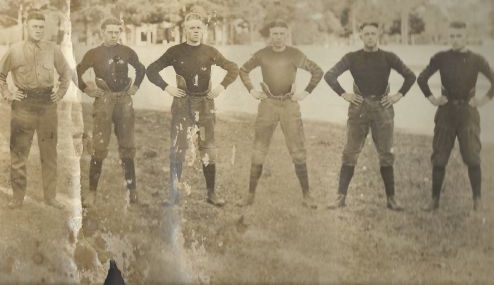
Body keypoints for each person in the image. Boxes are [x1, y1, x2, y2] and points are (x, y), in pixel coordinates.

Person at [146, 11, 238, 206]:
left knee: (208, 148)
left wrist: (221, 87)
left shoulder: (211, 52)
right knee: (178, 147)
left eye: (198, 28)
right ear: (185, 30)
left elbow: (233, 68)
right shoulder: (175, 51)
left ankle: (211, 194)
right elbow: (151, 70)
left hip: (205, 105)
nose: (195, 31)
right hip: (182, 105)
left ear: (203, 30)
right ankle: (174, 194)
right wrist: (168, 87)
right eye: (192, 28)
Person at [324, 22, 415, 211]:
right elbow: (330, 75)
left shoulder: (388, 57)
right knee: (350, 152)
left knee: (386, 153)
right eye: (366, 34)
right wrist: (344, 94)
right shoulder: (352, 58)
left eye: (373, 33)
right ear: (361, 36)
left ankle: (391, 199)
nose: (370, 37)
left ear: (379, 34)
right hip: (359, 108)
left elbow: (410, 76)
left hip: (382, 108)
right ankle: (340, 197)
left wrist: (397, 96)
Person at [238, 20, 324, 209]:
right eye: (274, 33)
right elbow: (243, 70)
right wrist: (252, 90)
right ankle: (250, 195)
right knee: (259, 149)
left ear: (287, 34)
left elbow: (317, 71)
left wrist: (305, 92)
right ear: (270, 34)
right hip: (267, 104)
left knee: (298, 151)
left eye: (281, 34)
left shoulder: (295, 54)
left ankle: (307, 195)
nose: (278, 37)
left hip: (289, 105)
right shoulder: (262, 54)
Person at [417, 21, 494, 212]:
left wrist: (482, 101)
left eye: (459, 36)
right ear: (449, 36)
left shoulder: (477, 59)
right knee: (439, 158)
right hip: (446, 113)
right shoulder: (441, 57)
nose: (455, 40)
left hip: (467, 114)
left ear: (466, 36)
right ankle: (434, 201)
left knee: (472, 156)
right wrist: (432, 99)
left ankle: (477, 201)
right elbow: (421, 78)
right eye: (452, 36)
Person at [0, 11, 71, 209]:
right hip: (23, 107)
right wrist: (8, 94)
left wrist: (60, 93)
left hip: (47, 106)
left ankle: (50, 197)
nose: (38, 30)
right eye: (34, 27)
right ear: (26, 28)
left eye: (41, 27)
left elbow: (66, 73)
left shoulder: (52, 49)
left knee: (49, 154)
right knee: (19, 155)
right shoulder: (15, 50)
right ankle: (17, 198)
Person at [75, 18, 146, 208]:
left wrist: (136, 87)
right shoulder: (94, 53)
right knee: (99, 146)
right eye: (110, 32)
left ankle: (132, 192)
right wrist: (87, 90)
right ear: (102, 32)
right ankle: (91, 193)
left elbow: (141, 69)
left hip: (124, 100)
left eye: (117, 32)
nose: (114, 35)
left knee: (128, 146)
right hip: (104, 101)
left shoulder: (127, 51)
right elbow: (76, 72)